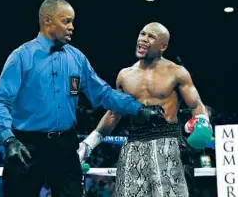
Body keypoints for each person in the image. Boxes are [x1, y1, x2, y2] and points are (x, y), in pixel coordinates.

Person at [0, 0, 156, 197]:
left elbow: (103, 93)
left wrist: (138, 108)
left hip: (65, 146)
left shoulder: (76, 58)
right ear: (47, 21)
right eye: (66, 21)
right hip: (27, 145)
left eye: (72, 21)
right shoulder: (21, 56)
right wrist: (9, 140)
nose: (72, 27)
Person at [78, 22, 213, 197]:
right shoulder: (125, 75)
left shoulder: (177, 72)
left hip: (167, 140)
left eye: (151, 36)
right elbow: (113, 114)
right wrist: (88, 145)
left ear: (163, 46)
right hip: (134, 142)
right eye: (142, 34)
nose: (143, 39)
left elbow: (196, 105)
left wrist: (203, 120)